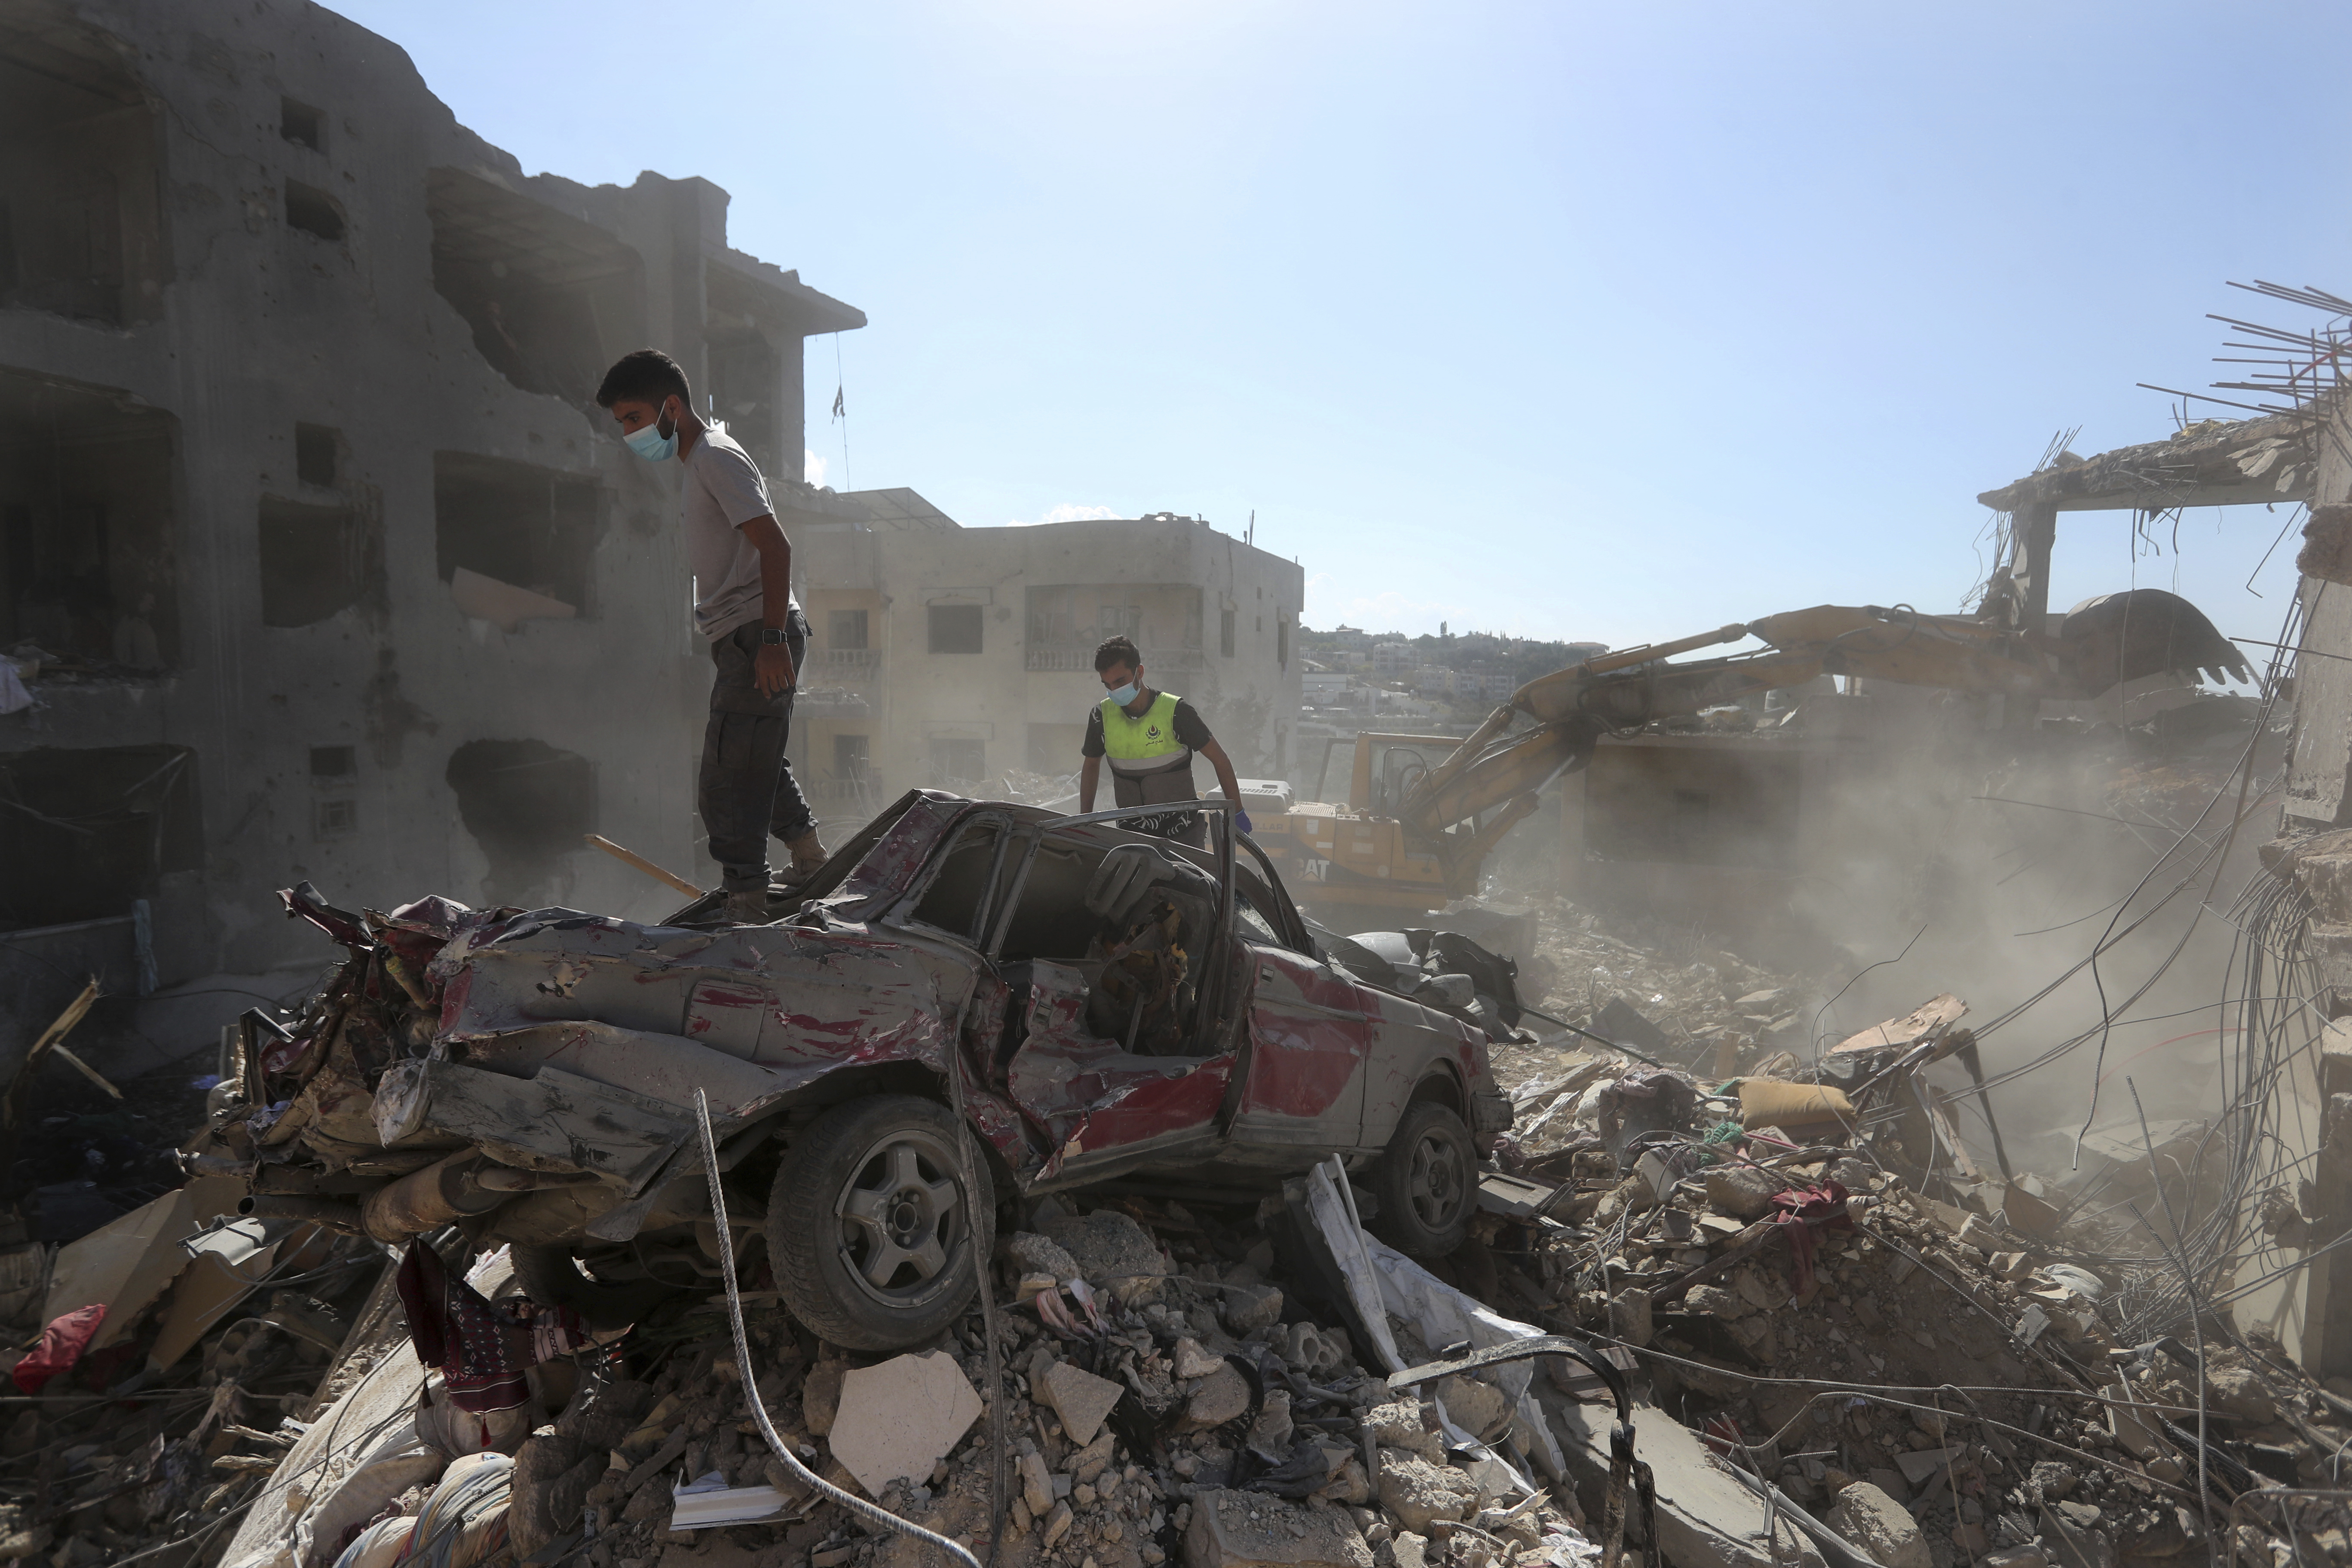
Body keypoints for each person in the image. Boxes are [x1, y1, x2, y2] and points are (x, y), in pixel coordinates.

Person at [595, 348, 824, 924]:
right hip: (745, 633)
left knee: (727, 778)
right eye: (622, 423)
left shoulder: (715, 460)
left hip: (757, 631)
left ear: (671, 406)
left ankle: (746, 902)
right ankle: (809, 857)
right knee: (755, 759)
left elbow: (777, 546)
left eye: (633, 418)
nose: (629, 434)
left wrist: (770, 639)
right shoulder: (705, 460)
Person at [1077, 634, 1252, 846]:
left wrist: (1238, 813)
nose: (1115, 691)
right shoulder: (1101, 717)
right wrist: (1083, 820)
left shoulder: (1177, 712)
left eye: (1121, 681)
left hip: (1184, 835)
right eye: (1108, 684)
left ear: (1139, 672)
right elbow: (1091, 765)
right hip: (1132, 837)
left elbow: (1220, 759)